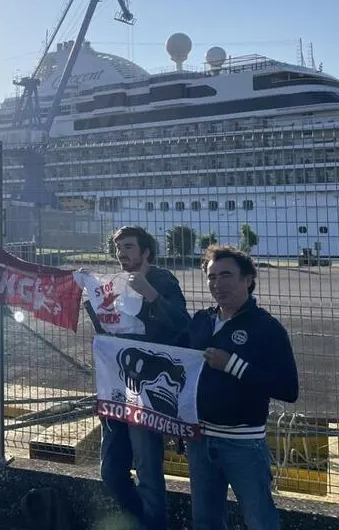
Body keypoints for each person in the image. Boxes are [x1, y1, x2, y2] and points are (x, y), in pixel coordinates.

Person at [81, 226, 190, 530]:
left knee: (148, 469)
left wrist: (150, 293)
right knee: (111, 471)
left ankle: (155, 525)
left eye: (128, 247)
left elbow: (183, 324)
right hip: (116, 388)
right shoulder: (113, 284)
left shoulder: (162, 280)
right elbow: (111, 334)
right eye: (118, 248)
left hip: (148, 391)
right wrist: (92, 305)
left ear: (146, 252)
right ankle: (142, 518)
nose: (122, 254)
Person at [183, 245, 299, 530]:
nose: (217, 284)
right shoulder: (200, 321)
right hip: (199, 440)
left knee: (260, 520)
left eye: (226, 276)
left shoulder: (267, 328)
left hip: (243, 444)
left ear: (248, 279)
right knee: (205, 520)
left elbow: (288, 388)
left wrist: (233, 365)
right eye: (211, 277)